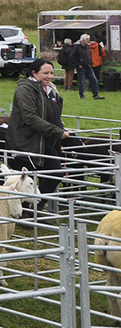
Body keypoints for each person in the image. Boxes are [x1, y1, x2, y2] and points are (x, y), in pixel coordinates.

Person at [8, 59, 69, 207]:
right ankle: (25, 209)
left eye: (52, 73)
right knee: (29, 180)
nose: (49, 76)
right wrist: (56, 130)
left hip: (47, 142)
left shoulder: (51, 90)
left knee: (56, 173)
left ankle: (35, 205)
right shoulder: (25, 90)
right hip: (28, 143)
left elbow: (49, 112)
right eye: (45, 73)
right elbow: (30, 117)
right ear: (34, 73)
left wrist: (57, 123)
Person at [71, 34, 104, 100]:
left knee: (94, 80)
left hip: (88, 66)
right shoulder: (76, 47)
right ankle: (82, 95)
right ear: (83, 40)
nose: (89, 41)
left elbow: (89, 54)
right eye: (87, 40)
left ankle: (96, 95)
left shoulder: (87, 46)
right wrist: (77, 65)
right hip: (81, 67)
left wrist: (91, 63)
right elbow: (71, 56)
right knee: (82, 81)